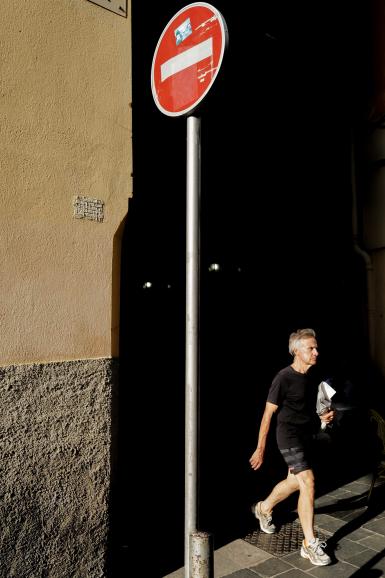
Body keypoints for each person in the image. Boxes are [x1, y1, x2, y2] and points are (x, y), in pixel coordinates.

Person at [249, 328, 334, 566]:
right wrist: (260, 448)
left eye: (316, 347)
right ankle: (309, 544)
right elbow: (268, 415)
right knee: (308, 481)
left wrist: (323, 417)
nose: (316, 351)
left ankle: (263, 508)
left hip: (307, 436)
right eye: (311, 348)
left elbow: (310, 407)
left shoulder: (313, 377)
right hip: (288, 437)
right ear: (297, 351)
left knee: (295, 482)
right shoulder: (283, 377)